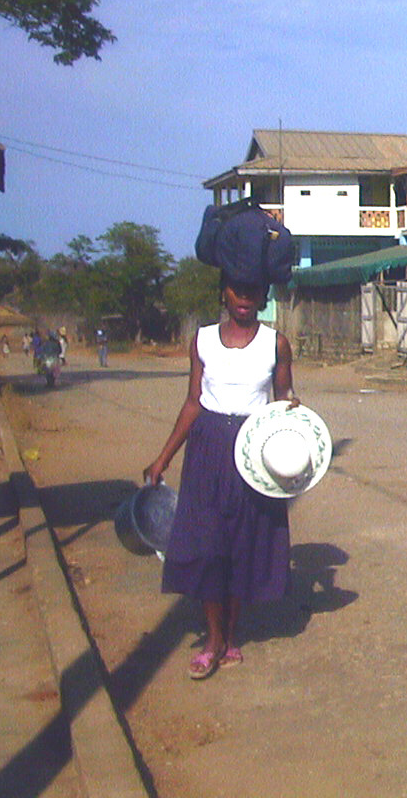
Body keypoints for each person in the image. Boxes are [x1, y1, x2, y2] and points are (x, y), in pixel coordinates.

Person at [143, 276, 297, 679]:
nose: (244, 299)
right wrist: (162, 458)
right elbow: (193, 403)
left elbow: (284, 400)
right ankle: (212, 640)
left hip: (253, 449)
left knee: (240, 545)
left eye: (252, 292)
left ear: (263, 297)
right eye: (237, 291)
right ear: (225, 294)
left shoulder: (276, 343)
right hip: (207, 448)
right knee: (208, 546)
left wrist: (295, 414)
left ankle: (231, 636)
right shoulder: (203, 340)